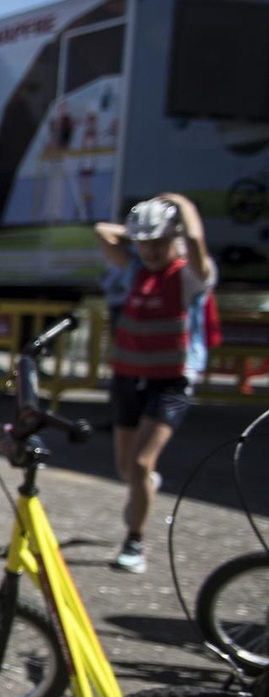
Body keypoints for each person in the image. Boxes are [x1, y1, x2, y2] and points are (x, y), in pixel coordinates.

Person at [94, 193, 217, 573]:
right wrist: (136, 233)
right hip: (129, 375)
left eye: (159, 241)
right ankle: (143, 484)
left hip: (170, 382)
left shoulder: (190, 275)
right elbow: (101, 232)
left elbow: (195, 242)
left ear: (174, 239)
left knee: (142, 462)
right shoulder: (134, 268)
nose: (150, 249)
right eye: (144, 242)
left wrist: (183, 205)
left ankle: (135, 543)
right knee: (126, 470)